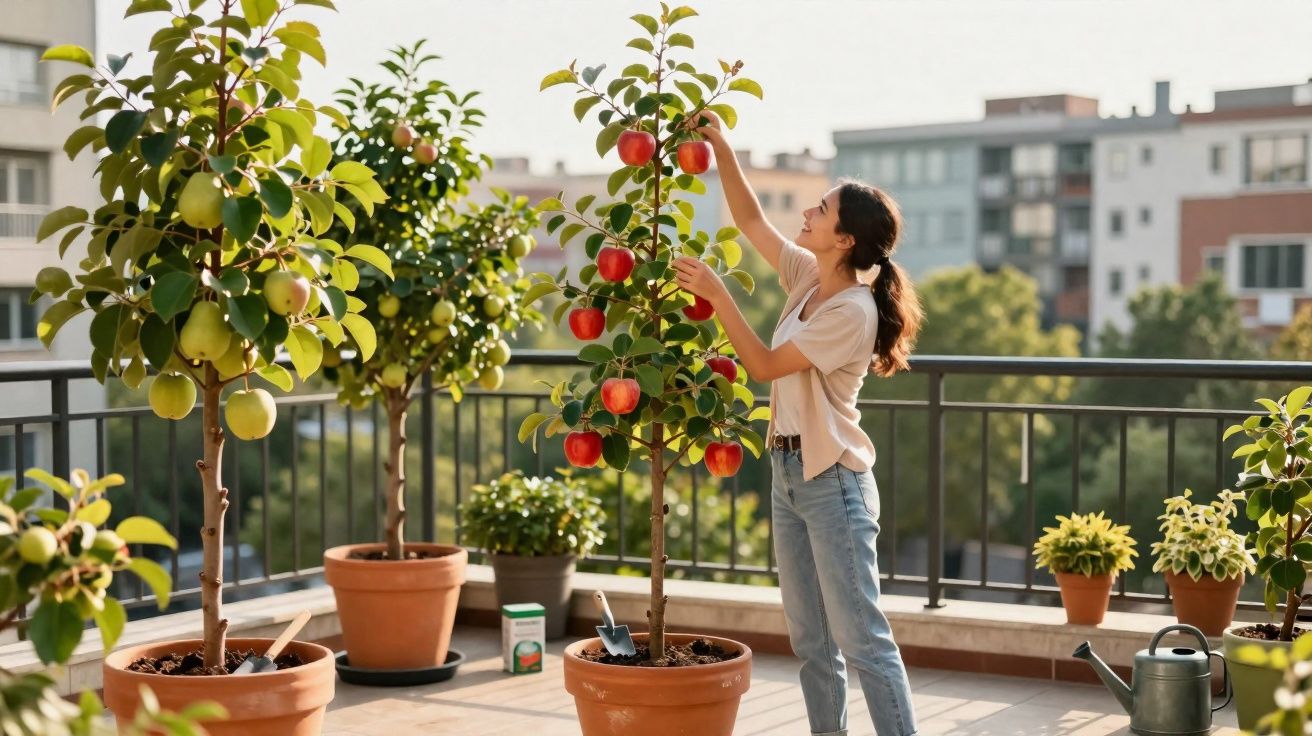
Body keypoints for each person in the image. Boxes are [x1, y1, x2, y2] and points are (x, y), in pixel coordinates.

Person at [672, 111, 922, 736]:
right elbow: (751, 220)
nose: (807, 214)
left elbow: (760, 364)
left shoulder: (853, 311)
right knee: (812, 643)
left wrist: (716, 292)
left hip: (832, 482)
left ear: (845, 239)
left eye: (821, 209)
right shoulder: (810, 276)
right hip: (789, 473)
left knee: (862, 641)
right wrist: (721, 147)